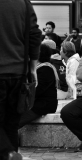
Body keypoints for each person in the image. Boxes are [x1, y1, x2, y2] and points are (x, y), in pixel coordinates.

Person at [0, 0, 42, 159]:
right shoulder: (23, 3)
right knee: (10, 125)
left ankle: (8, 153)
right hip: (19, 74)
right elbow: (34, 34)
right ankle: (11, 154)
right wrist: (32, 68)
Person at [19, 44, 59, 128]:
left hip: (42, 105)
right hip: (36, 103)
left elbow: (37, 90)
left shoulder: (45, 69)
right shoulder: (39, 68)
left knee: (13, 123)